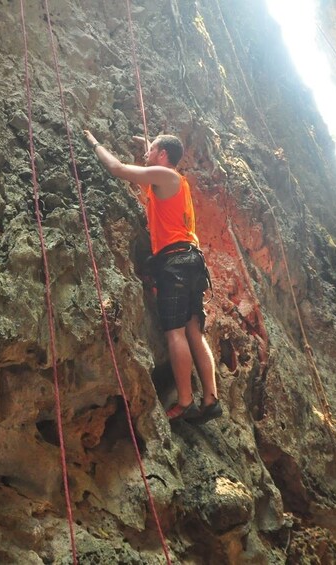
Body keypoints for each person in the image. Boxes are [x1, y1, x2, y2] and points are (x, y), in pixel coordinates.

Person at [83, 130, 221, 423]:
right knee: (194, 330)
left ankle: (184, 401)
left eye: (151, 151)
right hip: (192, 260)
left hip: (175, 262)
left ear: (161, 157)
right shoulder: (176, 181)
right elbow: (157, 158)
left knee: (175, 333)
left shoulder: (164, 175)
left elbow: (117, 169)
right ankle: (210, 398)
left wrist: (94, 142)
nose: (147, 155)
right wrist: (148, 145)